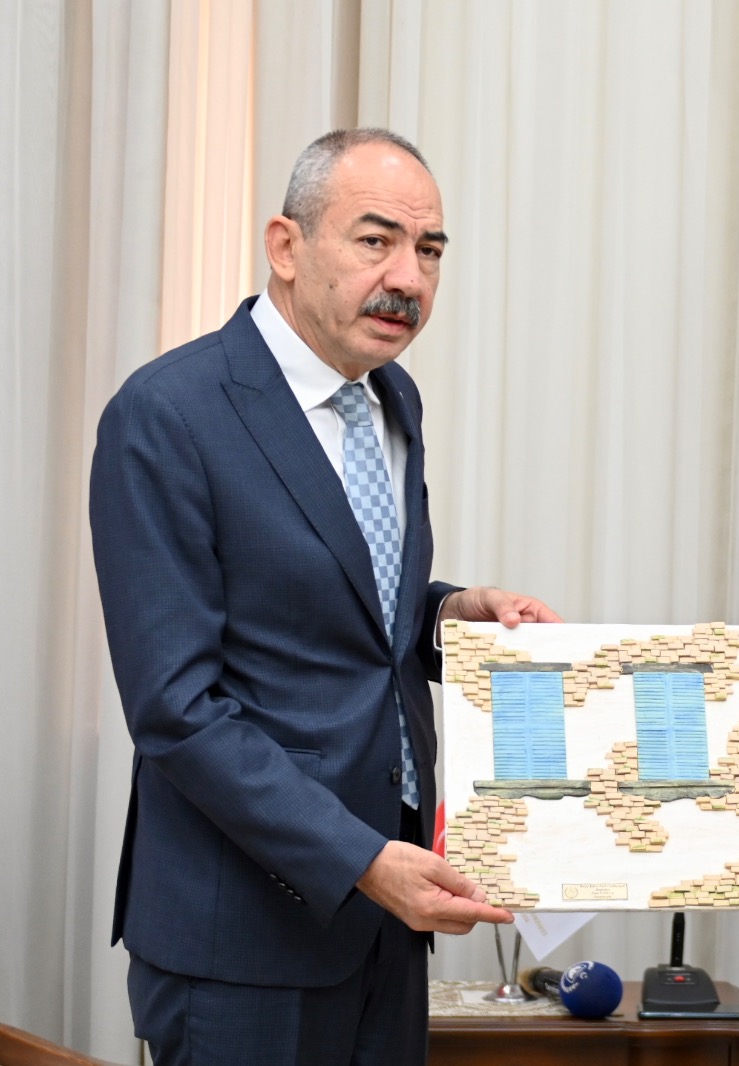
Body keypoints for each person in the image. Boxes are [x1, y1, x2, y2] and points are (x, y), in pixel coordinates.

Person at [89, 128, 560, 1065]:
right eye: (375, 240)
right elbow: (176, 708)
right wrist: (362, 862)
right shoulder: (168, 413)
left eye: (429, 250)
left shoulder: (393, 399)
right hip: (243, 942)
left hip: (389, 928)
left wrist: (448, 617)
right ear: (286, 245)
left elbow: (347, 613)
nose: (408, 279)